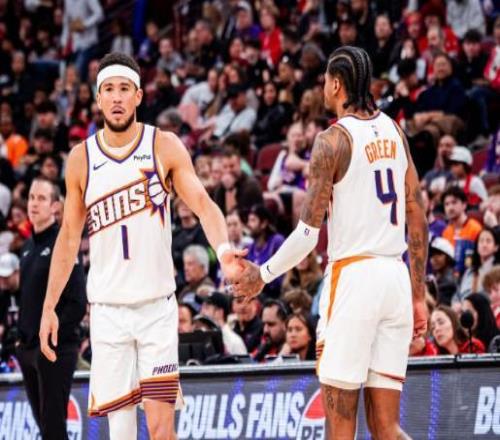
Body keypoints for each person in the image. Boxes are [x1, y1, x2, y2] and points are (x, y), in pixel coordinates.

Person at [38, 53, 245, 440]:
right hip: (108, 312)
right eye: (108, 89)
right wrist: (49, 306)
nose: (116, 97)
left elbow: (203, 204)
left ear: (138, 95)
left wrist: (225, 251)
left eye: (124, 89)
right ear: (98, 98)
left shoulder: (163, 145)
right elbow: (68, 238)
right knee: (120, 432)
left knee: (162, 429)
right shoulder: (81, 158)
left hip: (156, 309)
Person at [235, 46, 428, 439]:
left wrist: (263, 274)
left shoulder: (332, 140)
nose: (323, 87)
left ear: (336, 84)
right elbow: (417, 217)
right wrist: (418, 294)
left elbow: (308, 234)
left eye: (325, 80)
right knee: (386, 427)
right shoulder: (395, 131)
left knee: (340, 429)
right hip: (395, 277)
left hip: (354, 279)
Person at [17, 177, 86, 440]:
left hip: (57, 348)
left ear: (56, 206)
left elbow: (78, 302)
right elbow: (28, 300)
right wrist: (21, 340)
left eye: (42, 198)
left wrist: (51, 337)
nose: (34, 204)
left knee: (53, 427)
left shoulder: (64, 243)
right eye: (31, 197)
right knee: (44, 427)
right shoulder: (27, 247)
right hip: (29, 349)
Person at [442, 187, 483, 274]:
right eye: (446, 204)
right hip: (450, 276)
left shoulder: (475, 229)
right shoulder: (446, 232)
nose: (450, 207)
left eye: (454, 202)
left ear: (464, 205)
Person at [458, 227, 500, 301]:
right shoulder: (469, 271)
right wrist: (456, 303)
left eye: (488, 241)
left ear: (496, 247)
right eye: (481, 241)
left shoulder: (497, 271)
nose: (484, 245)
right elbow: (458, 293)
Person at [200, 291, 247, 355]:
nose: (202, 312)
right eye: (202, 308)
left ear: (219, 312)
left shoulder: (233, 341)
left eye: (206, 308)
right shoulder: (203, 337)